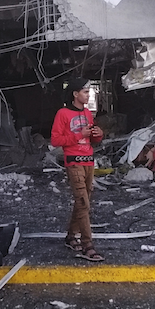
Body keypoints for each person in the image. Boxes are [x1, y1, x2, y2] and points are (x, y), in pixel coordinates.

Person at [51, 77, 104, 262]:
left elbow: (92, 139)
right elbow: (56, 140)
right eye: (85, 92)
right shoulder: (63, 114)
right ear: (75, 94)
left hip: (89, 161)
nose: (88, 95)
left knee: (84, 200)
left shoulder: (88, 114)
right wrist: (78, 135)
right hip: (73, 162)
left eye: (88, 92)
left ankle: (71, 236)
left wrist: (98, 135)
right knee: (83, 202)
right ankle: (87, 245)